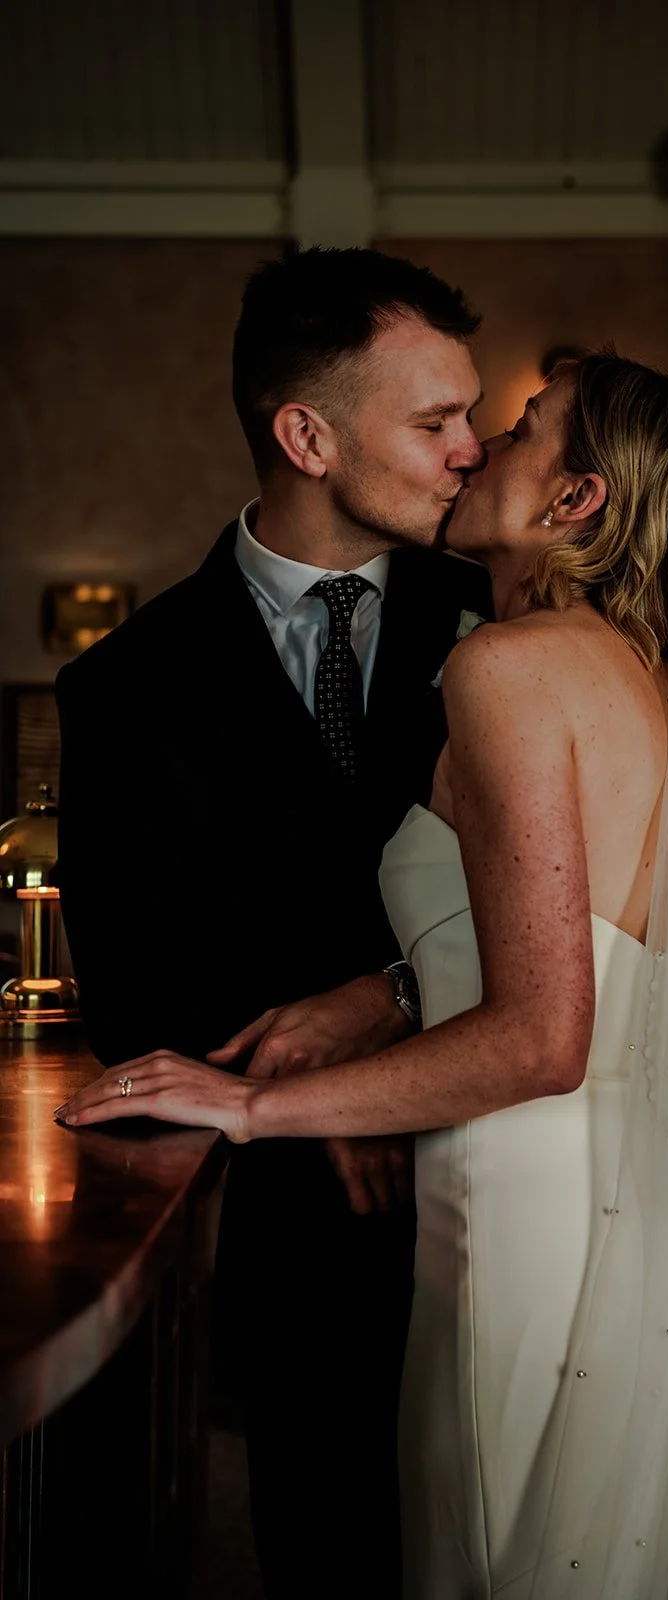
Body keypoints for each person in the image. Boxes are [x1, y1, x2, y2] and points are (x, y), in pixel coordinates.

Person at [58, 352, 668, 1598]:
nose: (474, 447)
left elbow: (543, 1035)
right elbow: (579, 946)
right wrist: (386, 995)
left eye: (516, 430)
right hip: (664, 1227)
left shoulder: (503, 669)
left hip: (536, 1229)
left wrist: (250, 1105)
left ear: (575, 502)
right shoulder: (658, 685)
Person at [54, 245, 492, 1598]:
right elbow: (135, 999)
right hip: (303, 1239)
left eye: (471, 416)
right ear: (306, 434)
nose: (471, 450)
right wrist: (330, 1111)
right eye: (435, 421)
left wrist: (384, 1011)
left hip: (517, 1168)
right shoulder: (127, 689)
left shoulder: (510, 621)